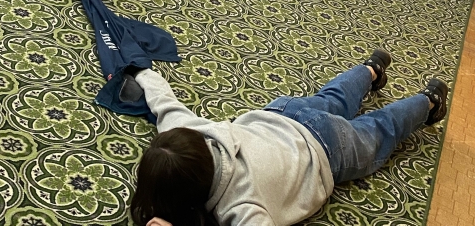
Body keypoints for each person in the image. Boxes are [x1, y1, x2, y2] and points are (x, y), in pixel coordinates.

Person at [127, 49, 448, 226]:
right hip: (283, 114)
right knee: (333, 97)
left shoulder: (240, 205)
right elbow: (165, 104)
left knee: (379, 130)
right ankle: (371, 69)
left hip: (326, 148)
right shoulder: (193, 134)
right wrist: (141, 72)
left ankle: (430, 101)